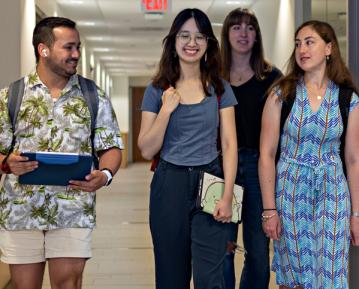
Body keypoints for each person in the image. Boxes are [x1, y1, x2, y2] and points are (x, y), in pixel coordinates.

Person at [0, 17, 123, 289]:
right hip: (21, 212)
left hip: (73, 209)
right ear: (43, 50)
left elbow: (111, 146)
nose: (76, 54)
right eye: (69, 48)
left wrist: (104, 175)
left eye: (78, 47)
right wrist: (7, 164)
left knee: (69, 284)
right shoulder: (12, 96)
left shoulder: (93, 95)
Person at [138, 8, 238, 289]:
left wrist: (228, 193)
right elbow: (146, 149)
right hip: (170, 183)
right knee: (171, 277)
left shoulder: (220, 89)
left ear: (208, 44)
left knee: (211, 277)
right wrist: (166, 111)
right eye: (184, 35)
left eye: (199, 36)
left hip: (211, 181)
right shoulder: (157, 90)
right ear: (173, 42)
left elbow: (230, 145)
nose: (191, 42)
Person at [259, 20, 359, 289]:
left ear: (329, 48)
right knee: (295, 276)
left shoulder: (347, 98)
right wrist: (269, 211)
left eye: (309, 42)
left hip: (333, 194)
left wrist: (356, 214)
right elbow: (267, 155)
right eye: (297, 43)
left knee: (331, 273)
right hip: (291, 194)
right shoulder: (282, 94)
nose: (302, 49)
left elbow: (353, 159)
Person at [220, 8, 281, 289]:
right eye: (236, 27)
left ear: (257, 36)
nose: (243, 34)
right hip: (222, 169)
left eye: (250, 28)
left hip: (259, 169)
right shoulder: (214, 76)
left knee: (258, 251)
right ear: (226, 34)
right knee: (223, 247)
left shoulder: (272, 78)